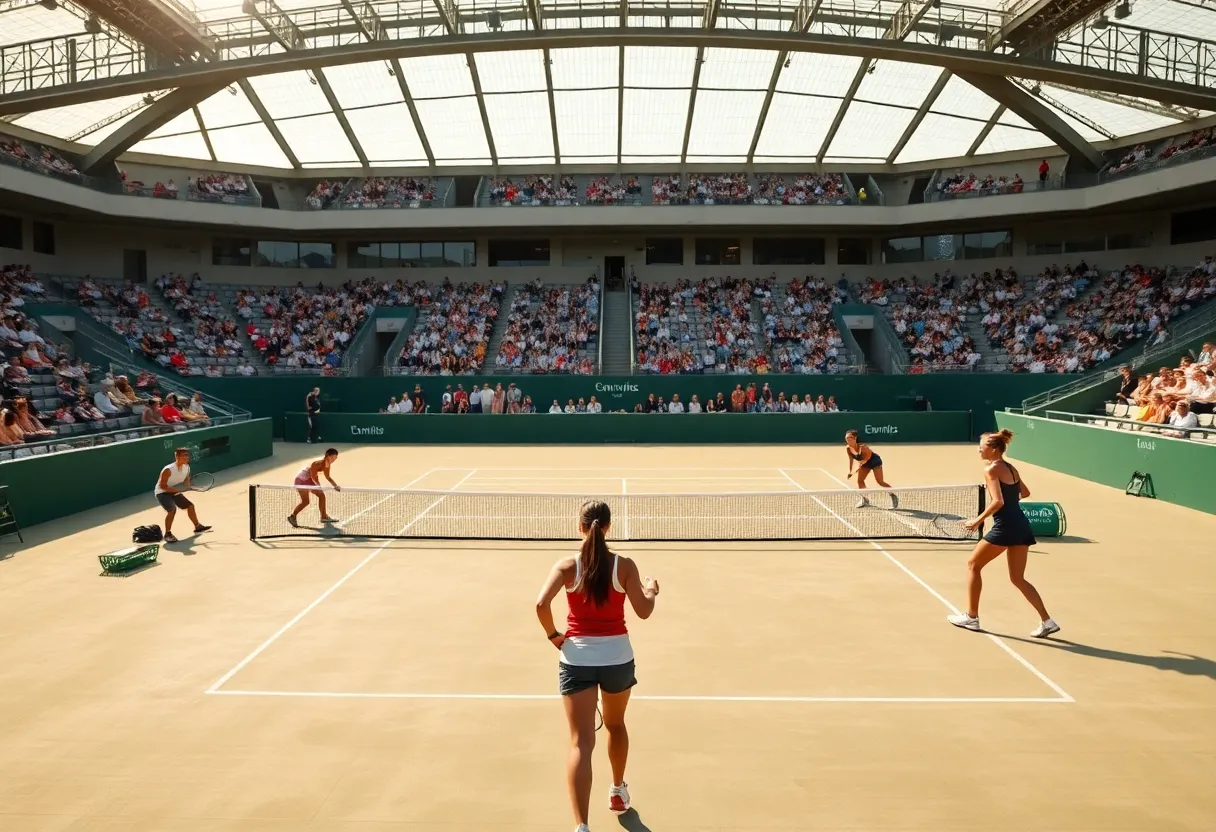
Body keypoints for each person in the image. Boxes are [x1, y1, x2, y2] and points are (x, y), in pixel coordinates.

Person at [534, 500, 660, 831]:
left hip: (577, 660)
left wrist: (553, 636)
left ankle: (582, 826)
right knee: (616, 725)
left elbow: (540, 603)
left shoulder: (565, 566)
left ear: (580, 527)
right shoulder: (625, 566)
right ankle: (618, 792)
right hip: (617, 658)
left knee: (581, 743)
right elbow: (644, 611)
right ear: (607, 528)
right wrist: (651, 590)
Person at [947, 430, 1059, 637]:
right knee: (1018, 578)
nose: (979, 449)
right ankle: (1047, 621)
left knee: (973, 565)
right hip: (1021, 525)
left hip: (1006, 527)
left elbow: (998, 501)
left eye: (982, 446)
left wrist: (977, 521)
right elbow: (1024, 493)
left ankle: (971, 617)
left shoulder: (991, 469)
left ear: (994, 448)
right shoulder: (1010, 467)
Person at [154, 447, 212, 543]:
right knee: (172, 510)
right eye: (184, 455)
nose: (186, 457)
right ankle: (167, 534)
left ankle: (198, 526)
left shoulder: (187, 467)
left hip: (174, 490)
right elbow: (162, 485)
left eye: (187, 455)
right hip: (162, 492)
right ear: (177, 456)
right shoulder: (168, 469)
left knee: (190, 506)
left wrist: (188, 486)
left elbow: (186, 479)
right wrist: (177, 490)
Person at [844, 429, 897, 508]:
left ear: (855, 438)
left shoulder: (863, 447)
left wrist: (863, 462)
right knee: (860, 481)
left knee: (880, 481)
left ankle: (893, 495)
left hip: (874, 461)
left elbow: (868, 457)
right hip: (864, 463)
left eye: (850, 437)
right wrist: (850, 471)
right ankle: (865, 499)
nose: (848, 439)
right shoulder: (848, 448)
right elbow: (851, 459)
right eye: (846, 438)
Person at [288, 448, 342, 526]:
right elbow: (313, 477)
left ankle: (293, 516)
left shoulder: (327, 465)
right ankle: (323, 517)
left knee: (311, 499)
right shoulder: (317, 463)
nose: (334, 459)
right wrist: (318, 486)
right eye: (333, 457)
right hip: (301, 480)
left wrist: (335, 486)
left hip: (305, 480)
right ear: (328, 456)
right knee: (315, 498)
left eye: (336, 458)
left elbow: (328, 477)